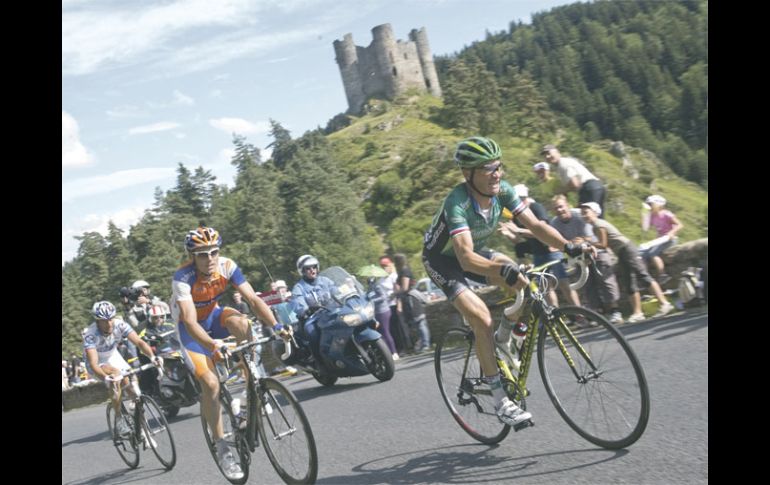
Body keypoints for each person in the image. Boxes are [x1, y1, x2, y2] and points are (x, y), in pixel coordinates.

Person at [422, 136, 593, 426]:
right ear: (468, 173)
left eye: (498, 167)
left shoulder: (503, 191)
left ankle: (503, 337)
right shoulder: (457, 202)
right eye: (487, 168)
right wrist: (502, 272)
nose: (496, 174)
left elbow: (537, 226)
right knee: (481, 318)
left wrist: (568, 246)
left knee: (527, 286)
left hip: (476, 253)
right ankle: (501, 399)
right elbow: (464, 258)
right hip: (444, 261)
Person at [170, 226, 285, 481]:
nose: (209, 259)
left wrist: (277, 327)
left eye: (213, 252)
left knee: (243, 324)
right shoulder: (182, 277)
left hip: (213, 316)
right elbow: (189, 321)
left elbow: (253, 300)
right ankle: (222, 446)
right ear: (192, 256)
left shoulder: (227, 266)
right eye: (202, 254)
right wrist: (213, 345)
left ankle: (250, 388)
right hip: (191, 332)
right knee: (210, 384)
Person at [579, 202, 674, 323]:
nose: (584, 215)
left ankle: (664, 303)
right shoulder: (596, 225)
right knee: (629, 282)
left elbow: (603, 245)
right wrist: (589, 241)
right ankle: (638, 313)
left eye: (586, 212)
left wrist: (587, 242)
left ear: (594, 212)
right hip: (621, 251)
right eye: (582, 213)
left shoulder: (598, 225)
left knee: (642, 275)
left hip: (626, 249)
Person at [83, 301, 161, 439]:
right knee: (115, 375)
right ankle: (119, 418)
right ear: (97, 321)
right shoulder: (90, 334)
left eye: (111, 319)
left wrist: (152, 357)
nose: (109, 324)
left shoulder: (119, 324)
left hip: (112, 355)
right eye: (104, 321)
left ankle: (138, 420)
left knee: (130, 379)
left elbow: (139, 342)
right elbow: (94, 364)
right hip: (96, 362)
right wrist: (106, 378)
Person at [498, 184, 581, 309]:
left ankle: (580, 315)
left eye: (521, 198)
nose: (518, 202)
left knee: (563, 283)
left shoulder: (536, 208)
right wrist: (508, 234)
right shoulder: (517, 216)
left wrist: (518, 230)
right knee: (546, 287)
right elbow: (518, 240)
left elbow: (542, 231)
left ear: (526, 198)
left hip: (550, 250)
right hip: (538, 254)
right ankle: (555, 317)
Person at [550, 195, 624, 324]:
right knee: (587, 285)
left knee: (606, 281)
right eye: (556, 208)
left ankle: (615, 311)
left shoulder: (579, 215)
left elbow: (590, 237)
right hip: (578, 255)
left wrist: (576, 242)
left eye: (561, 206)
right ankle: (598, 314)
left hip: (595, 250)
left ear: (567, 205)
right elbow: (555, 242)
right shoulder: (555, 222)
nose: (559, 210)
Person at [290, 255, 338, 364]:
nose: (312, 270)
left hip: (331, 312)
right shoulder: (299, 287)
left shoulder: (325, 281)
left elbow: (336, 290)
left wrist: (347, 292)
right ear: (302, 271)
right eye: (308, 268)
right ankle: (320, 360)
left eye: (314, 267)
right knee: (311, 331)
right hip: (313, 318)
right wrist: (305, 309)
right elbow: (296, 301)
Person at [541, 144, 607, 217]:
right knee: (597, 217)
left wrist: (561, 190)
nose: (547, 157)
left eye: (549, 153)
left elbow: (575, 184)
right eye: (545, 156)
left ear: (557, 152)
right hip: (596, 187)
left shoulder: (563, 164)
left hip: (589, 189)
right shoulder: (563, 164)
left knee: (588, 217)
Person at [640, 195, 683, 285]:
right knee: (643, 253)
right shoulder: (652, 216)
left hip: (669, 239)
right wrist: (644, 215)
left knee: (652, 253)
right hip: (660, 239)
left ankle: (663, 275)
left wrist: (671, 232)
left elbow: (679, 225)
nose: (649, 206)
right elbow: (645, 227)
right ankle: (644, 277)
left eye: (651, 204)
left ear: (658, 205)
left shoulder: (666, 214)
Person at [393, 254, 431, 353]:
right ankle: (423, 344)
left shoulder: (404, 271)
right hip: (408, 300)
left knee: (420, 323)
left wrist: (395, 293)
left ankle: (426, 345)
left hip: (411, 300)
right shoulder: (403, 271)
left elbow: (405, 288)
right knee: (417, 324)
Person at [379, 256, 412, 355]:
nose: (384, 268)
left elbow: (398, 292)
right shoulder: (380, 279)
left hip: (395, 304)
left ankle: (406, 348)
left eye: (385, 266)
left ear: (390, 266)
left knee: (401, 328)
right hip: (386, 307)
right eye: (382, 266)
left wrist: (399, 305)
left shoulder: (394, 276)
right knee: (392, 329)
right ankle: (398, 349)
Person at [365, 275, 398, 361]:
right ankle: (387, 353)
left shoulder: (377, 286)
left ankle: (394, 352)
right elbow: (367, 297)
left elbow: (383, 297)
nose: (366, 279)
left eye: (368, 278)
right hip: (376, 313)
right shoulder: (370, 288)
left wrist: (373, 301)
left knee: (386, 332)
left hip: (383, 311)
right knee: (380, 334)